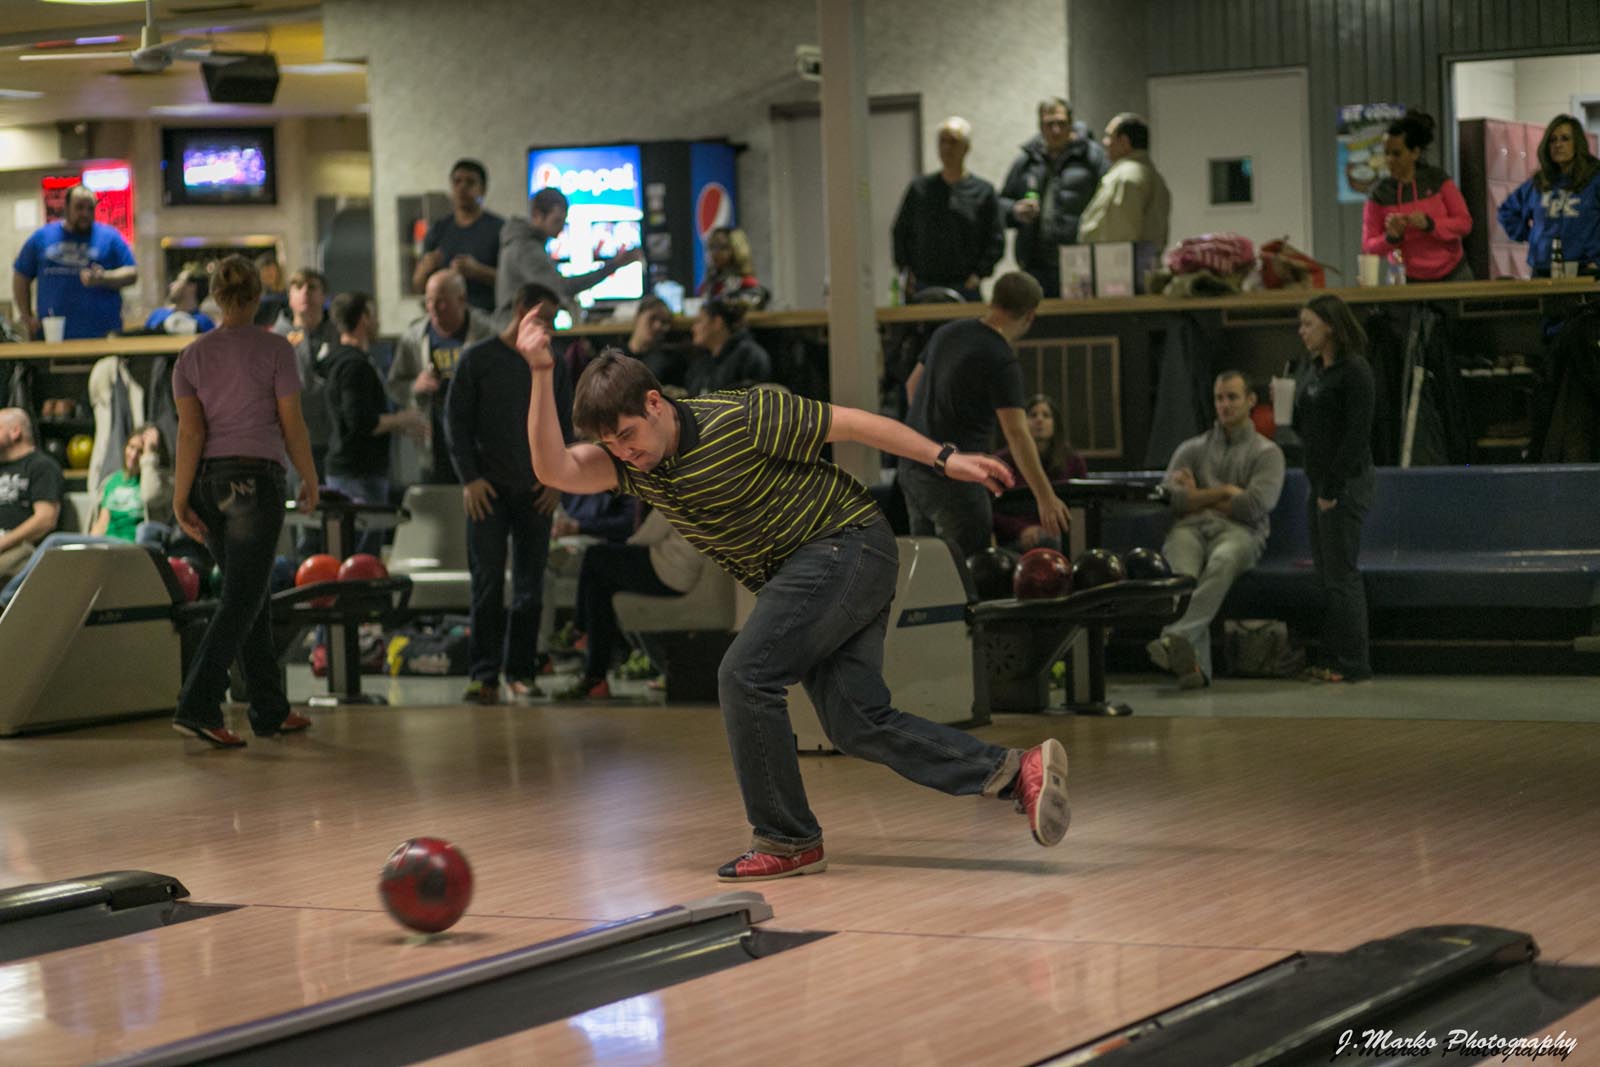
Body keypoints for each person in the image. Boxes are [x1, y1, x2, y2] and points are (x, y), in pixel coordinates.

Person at [515, 322, 1072, 882]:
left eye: (627, 434)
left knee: (745, 675)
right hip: (820, 568)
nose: (624, 451)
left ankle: (786, 838)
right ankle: (1014, 771)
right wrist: (540, 373)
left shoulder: (740, 417)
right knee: (856, 722)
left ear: (655, 403)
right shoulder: (635, 467)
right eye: (611, 444)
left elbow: (853, 422)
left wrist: (944, 458)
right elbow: (553, 468)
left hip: (844, 543)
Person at [169, 255, 320, 748]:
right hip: (256, 483)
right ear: (258, 296)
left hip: (208, 486)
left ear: (215, 296)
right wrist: (309, 476)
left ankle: (269, 708)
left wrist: (180, 498)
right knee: (242, 598)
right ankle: (198, 703)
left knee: (248, 593)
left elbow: (191, 434)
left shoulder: (190, 357)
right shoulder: (276, 349)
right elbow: (291, 424)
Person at [446, 282, 572, 703]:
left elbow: (565, 426)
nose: (549, 329)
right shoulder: (478, 359)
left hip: (537, 489)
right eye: (544, 319)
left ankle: (520, 671)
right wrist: (469, 479)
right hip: (488, 489)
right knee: (486, 583)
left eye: (553, 322)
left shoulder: (553, 364)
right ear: (521, 311)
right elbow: (456, 424)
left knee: (530, 586)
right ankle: (483, 675)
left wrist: (558, 481)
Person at [898, 271, 1071, 559]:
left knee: (928, 568)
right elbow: (1017, 433)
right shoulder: (1000, 358)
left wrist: (932, 428)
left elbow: (912, 385)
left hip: (914, 465)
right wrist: (1045, 496)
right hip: (957, 476)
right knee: (968, 567)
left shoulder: (948, 332)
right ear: (1030, 315)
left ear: (992, 300)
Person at [1148, 372, 1286, 690]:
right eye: (1219, 398)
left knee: (1223, 560)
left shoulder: (1268, 453)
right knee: (1183, 576)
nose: (1225, 404)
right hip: (1189, 530)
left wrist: (1196, 496)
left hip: (1240, 533)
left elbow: (1253, 505)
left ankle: (1175, 636)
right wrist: (1224, 491)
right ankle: (1194, 669)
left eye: (1232, 397)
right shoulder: (1191, 449)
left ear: (1250, 400)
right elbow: (1169, 500)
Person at [0, 425, 173, 607]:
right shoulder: (113, 481)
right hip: (107, 545)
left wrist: (150, 457)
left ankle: (6, 599)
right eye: (131, 447)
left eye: (141, 451)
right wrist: (86, 551)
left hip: (136, 547)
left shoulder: (162, 482)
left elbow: (150, 496)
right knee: (61, 555)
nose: (133, 455)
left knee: (54, 541)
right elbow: (101, 523)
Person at [1295, 295, 1376, 685]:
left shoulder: (1354, 371)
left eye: (1308, 324)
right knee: (1326, 575)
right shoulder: (1314, 371)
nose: (1302, 332)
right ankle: (1332, 656)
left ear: (1330, 326)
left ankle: (1354, 662)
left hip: (1344, 483)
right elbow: (1308, 427)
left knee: (1342, 575)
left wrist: (1331, 487)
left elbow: (1356, 436)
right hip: (1318, 481)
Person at [558, 506, 701, 701]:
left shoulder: (677, 493)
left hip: (669, 569)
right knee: (600, 586)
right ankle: (595, 677)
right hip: (678, 569)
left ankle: (580, 630)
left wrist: (623, 549)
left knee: (594, 555)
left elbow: (650, 534)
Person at [322, 292, 426, 553]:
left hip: (353, 471)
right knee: (362, 558)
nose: (378, 322)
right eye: (374, 315)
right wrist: (403, 418)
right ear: (364, 318)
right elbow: (360, 422)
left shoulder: (341, 360)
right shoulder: (354, 366)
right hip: (359, 474)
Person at [387, 269, 495, 484]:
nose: (434, 308)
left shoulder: (487, 333)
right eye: (429, 301)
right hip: (434, 444)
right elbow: (394, 385)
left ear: (461, 300)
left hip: (479, 443)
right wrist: (415, 386)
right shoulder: (414, 337)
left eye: (442, 301)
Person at [999, 98, 1108, 297]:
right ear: (1040, 126)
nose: (1055, 130)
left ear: (1071, 124)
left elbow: (1107, 203)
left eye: (1061, 123)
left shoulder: (1091, 156)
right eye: (1049, 124)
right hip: (1035, 262)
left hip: (1078, 259)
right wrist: (1015, 210)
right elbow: (1000, 205)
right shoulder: (1027, 161)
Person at [891, 117, 1004, 302]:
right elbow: (901, 231)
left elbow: (995, 239)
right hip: (923, 284)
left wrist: (979, 274)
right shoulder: (919, 189)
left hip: (966, 286)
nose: (947, 148)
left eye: (953, 142)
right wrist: (905, 270)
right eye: (942, 141)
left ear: (966, 147)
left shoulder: (983, 191)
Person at [496, 187, 643, 326]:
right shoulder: (526, 248)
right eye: (556, 221)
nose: (561, 228)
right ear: (537, 215)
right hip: (517, 329)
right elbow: (561, 288)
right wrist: (614, 265)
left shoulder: (523, 243)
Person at [11, 185, 137, 340]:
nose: (85, 213)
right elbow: (21, 275)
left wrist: (104, 277)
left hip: (103, 334)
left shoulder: (110, 237)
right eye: (79, 207)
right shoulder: (42, 237)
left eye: (90, 209)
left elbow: (132, 273)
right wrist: (27, 316)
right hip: (52, 336)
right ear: (66, 208)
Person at [1361, 113, 1473, 283]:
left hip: (1453, 274)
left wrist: (1430, 224)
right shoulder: (1379, 193)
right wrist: (1391, 237)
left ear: (1414, 153)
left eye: (1397, 154)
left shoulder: (1437, 179)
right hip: (1405, 278)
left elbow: (1464, 224)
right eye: (1386, 153)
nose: (1389, 160)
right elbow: (1368, 246)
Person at [1497, 113, 1600, 278]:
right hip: (1543, 269)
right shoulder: (1539, 183)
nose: (1558, 145)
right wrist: (1532, 236)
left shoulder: (1595, 179)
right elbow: (1507, 211)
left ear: (1577, 143)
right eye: (1553, 140)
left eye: (1565, 139)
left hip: (1586, 269)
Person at [993, 394, 1087, 552]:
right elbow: (992, 510)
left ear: (1055, 424)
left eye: (1046, 415)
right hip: (1013, 539)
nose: (1039, 420)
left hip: (1060, 536)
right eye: (1033, 415)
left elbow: (1081, 508)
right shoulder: (1002, 461)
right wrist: (1022, 529)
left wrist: (1048, 529)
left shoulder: (1073, 461)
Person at [273, 268, 340, 484]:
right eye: (298, 287)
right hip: (290, 440)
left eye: (312, 287)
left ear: (324, 295)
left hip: (332, 437)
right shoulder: (275, 340)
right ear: (289, 296)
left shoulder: (338, 335)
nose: (305, 293)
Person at [413, 159, 503, 313]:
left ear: (483, 189)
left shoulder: (500, 229)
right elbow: (418, 286)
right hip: (443, 318)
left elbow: (514, 283)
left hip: (487, 318)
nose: (462, 187)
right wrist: (425, 271)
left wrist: (479, 272)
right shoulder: (438, 230)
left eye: (470, 182)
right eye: (457, 182)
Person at [1078, 113, 1172, 247]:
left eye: (1109, 136)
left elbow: (1121, 239)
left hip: (1118, 259)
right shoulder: (1152, 176)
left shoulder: (1126, 177)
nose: (1104, 142)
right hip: (1145, 258)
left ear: (1124, 142)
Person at [0, 408, 63, 583]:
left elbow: (45, 519)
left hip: (22, 547)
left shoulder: (41, 466)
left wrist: (3, 542)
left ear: (15, 432)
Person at [684, 300, 772, 396]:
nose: (693, 328)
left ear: (717, 322)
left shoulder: (749, 356)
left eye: (699, 321)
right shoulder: (701, 361)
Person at [697, 228, 767, 307]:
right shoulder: (707, 285)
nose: (715, 253)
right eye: (711, 247)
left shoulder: (747, 283)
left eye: (723, 247)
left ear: (737, 249)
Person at [624, 296, 682, 389]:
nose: (658, 326)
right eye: (653, 318)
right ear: (637, 317)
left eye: (664, 322)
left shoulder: (672, 363)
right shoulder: (614, 356)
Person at [145, 269, 217, 335]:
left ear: (191, 287)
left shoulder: (204, 323)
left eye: (178, 280)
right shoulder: (157, 314)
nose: (171, 285)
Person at [253, 252, 288, 327]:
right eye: (265, 272)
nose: (268, 274)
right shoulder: (255, 299)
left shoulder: (288, 295)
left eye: (271, 271)